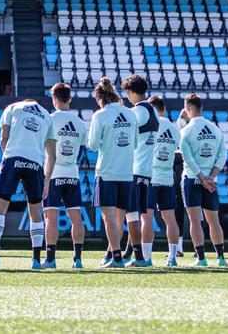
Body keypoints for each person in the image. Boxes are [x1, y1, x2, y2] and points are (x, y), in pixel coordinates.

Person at [0, 97, 53, 270]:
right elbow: (52, 154)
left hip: (13, 158)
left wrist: (8, 160)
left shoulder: (13, 107)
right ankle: (36, 261)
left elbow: (3, 137)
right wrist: (47, 180)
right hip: (35, 162)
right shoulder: (47, 115)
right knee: (36, 212)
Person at [87, 77, 134, 268]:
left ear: (100, 99)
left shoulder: (100, 115)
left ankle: (116, 257)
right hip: (126, 172)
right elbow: (136, 144)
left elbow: (93, 145)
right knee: (119, 219)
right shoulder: (130, 114)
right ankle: (113, 255)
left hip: (106, 172)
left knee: (109, 219)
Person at [39, 82, 87, 270]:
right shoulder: (80, 123)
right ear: (70, 98)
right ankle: (77, 259)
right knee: (76, 218)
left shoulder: (49, 120)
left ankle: (50, 259)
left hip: (52, 175)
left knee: (51, 218)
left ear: (54, 98)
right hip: (72, 174)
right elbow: (84, 146)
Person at [178, 93, 228, 267]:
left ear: (188, 109)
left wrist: (201, 177)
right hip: (211, 181)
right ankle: (221, 258)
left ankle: (201, 259)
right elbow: (223, 156)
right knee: (214, 221)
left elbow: (188, 158)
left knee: (195, 220)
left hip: (192, 179)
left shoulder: (186, 131)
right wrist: (210, 177)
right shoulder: (215, 129)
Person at [121, 74, 158, 267]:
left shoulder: (136, 112)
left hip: (134, 169)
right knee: (140, 216)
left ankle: (139, 257)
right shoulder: (152, 109)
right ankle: (129, 253)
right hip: (147, 170)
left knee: (131, 216)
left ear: (130, 91)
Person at [149, 95, 182, 267]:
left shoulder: (152, 125)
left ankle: (146, 257)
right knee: (170, 218)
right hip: (168, 177)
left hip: (152, 176)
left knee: (146, 217)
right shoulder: (175, 129)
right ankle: (172, 257)